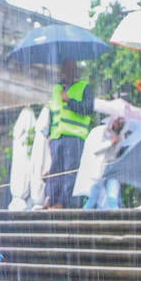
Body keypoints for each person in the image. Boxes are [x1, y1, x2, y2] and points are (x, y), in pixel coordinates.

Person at [46, 60, 95, 209]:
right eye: (64, 69)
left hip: (74, 137)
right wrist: (48, 134)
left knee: (70, 172)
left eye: (69, 69)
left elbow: (88, 108)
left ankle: (66, 203)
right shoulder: (56, 89)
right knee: (55, 172)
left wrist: (70, 101)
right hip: (56, 137)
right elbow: (52, 112)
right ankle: (53, 201)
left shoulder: (84, 87)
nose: (66, 72)